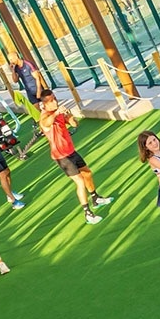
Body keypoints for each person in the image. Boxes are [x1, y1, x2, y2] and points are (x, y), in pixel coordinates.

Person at [38, 90, 114, 225]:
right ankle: (88, 213)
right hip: (61, 157)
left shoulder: (59, 113)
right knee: (79, 181)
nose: (55, 102)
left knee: (87, 173)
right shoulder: (44, 117)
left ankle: (95, 198)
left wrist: (70, 116)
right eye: (50, 101)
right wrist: (56, 113)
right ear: (44, 104)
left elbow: (74, 124)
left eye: (54, 99)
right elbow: (48, 123)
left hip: (71, 151)